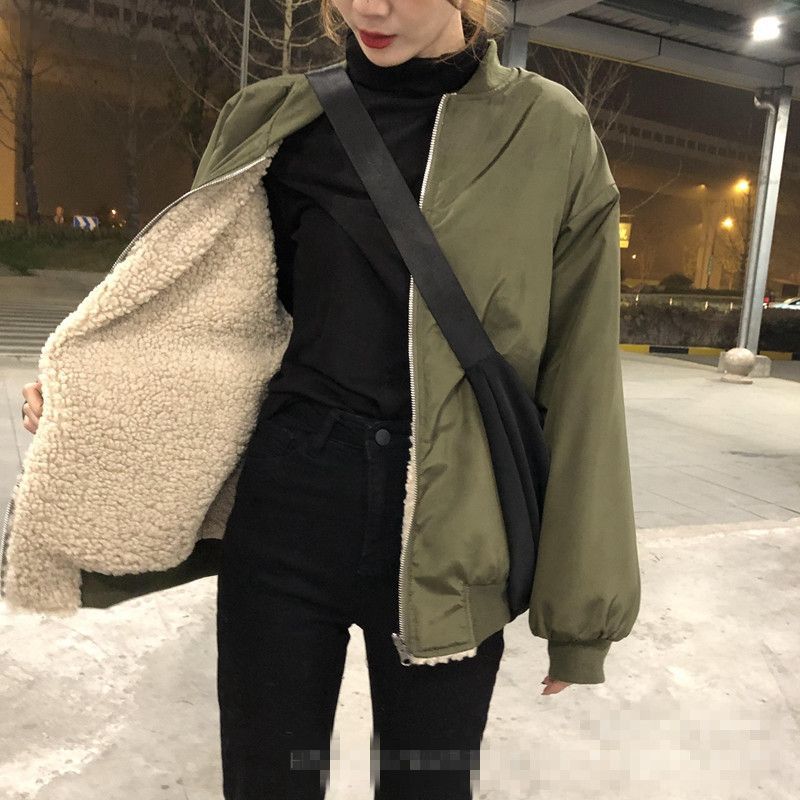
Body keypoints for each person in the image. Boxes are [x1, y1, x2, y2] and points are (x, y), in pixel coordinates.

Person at [13, 0, 641, 797]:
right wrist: (92, 399)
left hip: (454, 525)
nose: (368, 8)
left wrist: (581, 616)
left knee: (427, 786)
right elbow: (206, 315)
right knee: (268, 781)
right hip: (289, 505)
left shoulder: (548, 132)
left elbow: (583, 376)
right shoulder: (277, 119)